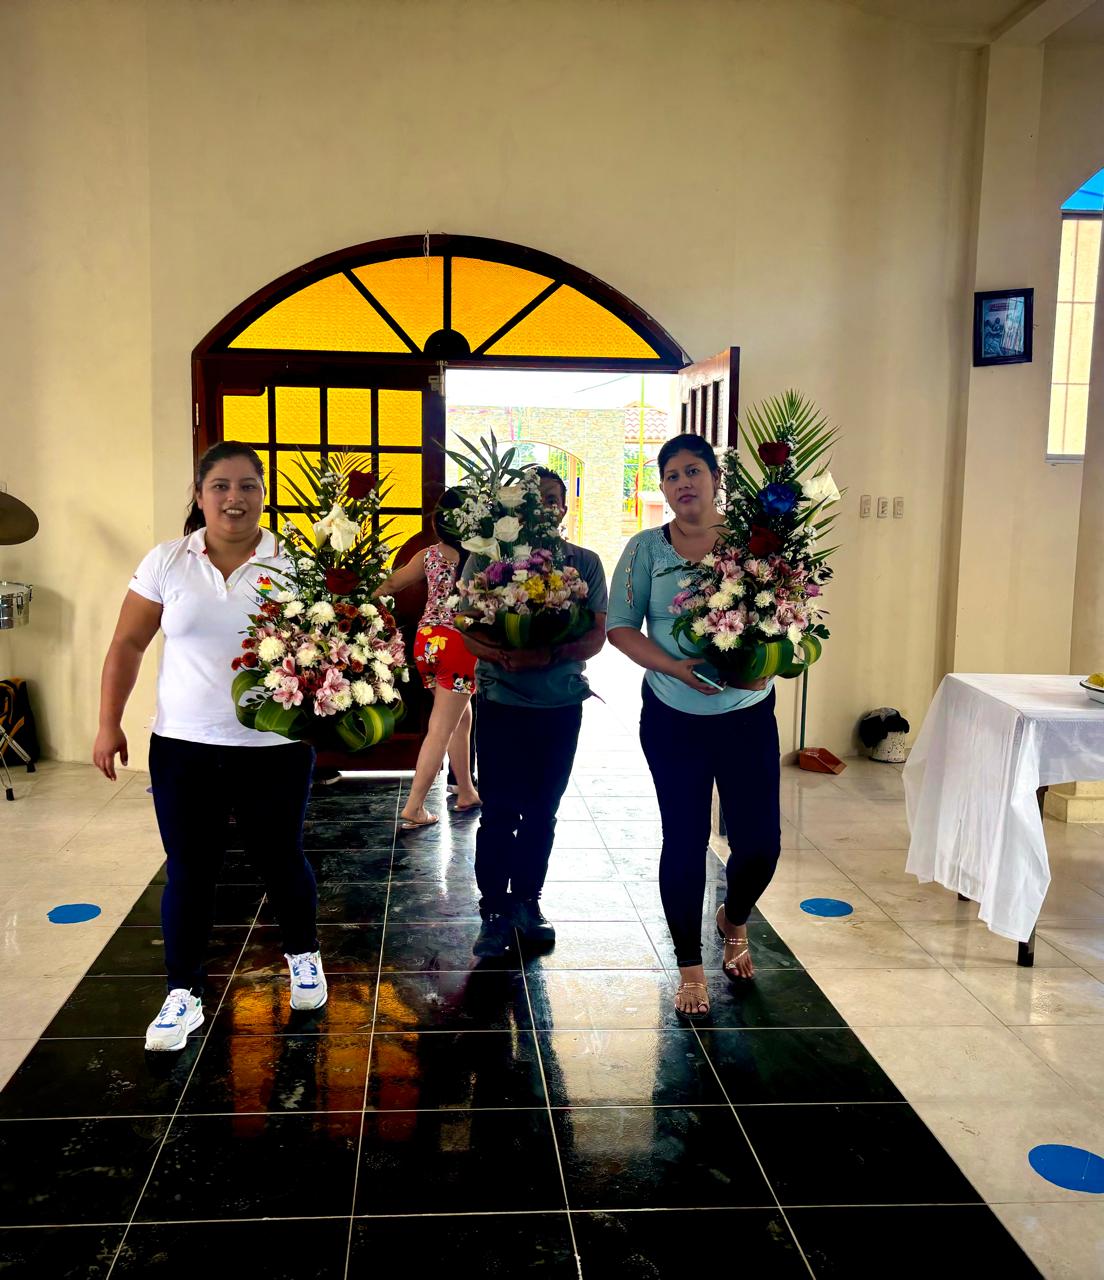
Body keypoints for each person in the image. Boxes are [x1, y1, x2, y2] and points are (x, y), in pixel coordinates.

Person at [93, 441, 326, 1052]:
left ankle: (303, 955)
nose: (234, 498)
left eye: (248, 485)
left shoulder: (294, 564)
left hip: (273, 746)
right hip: (184, 746)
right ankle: (183, 991)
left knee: (280, 857)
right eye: (220, 486)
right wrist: (108, 722)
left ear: (263, 495)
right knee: (190, 869)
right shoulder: (167, 561)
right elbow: (127, 644)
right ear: (199, 496)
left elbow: (328, 647)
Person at [606, 434, 780, 1019]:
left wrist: (770, 666)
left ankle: (734, 918)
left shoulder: (754, 543)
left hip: (746, 716)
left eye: (693, 471)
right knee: (683, 839)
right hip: (672, 718)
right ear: (663, 487)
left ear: (714, 478)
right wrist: (674, 667)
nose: (683, 483)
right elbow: (621, 627)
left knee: (760, 845)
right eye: (672, 475)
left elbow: (788, 620)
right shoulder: (645, 549)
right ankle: (689, 966)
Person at [460, 467, 607, 957]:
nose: (543, 506)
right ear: (515, 506)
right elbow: (466, 627)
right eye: (532, 498)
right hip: (500, 701)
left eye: (551, 498)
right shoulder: (486, 557)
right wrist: (501, 654)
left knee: (543, 811)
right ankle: (493, 911)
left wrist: (547, 655)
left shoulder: (584, 563)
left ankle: (528, 901)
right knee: (500, 809)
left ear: (563, 508)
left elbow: (596, 636)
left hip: (559, 704)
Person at [374, 488, 481, 830]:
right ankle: (415, 806)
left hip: (426, 642)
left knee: (460, 717)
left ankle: (466, 791)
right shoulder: (480, 559)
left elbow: (390, 584)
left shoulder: (428, 555)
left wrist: (366, 604)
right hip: (458, 645)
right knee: (441, 727)